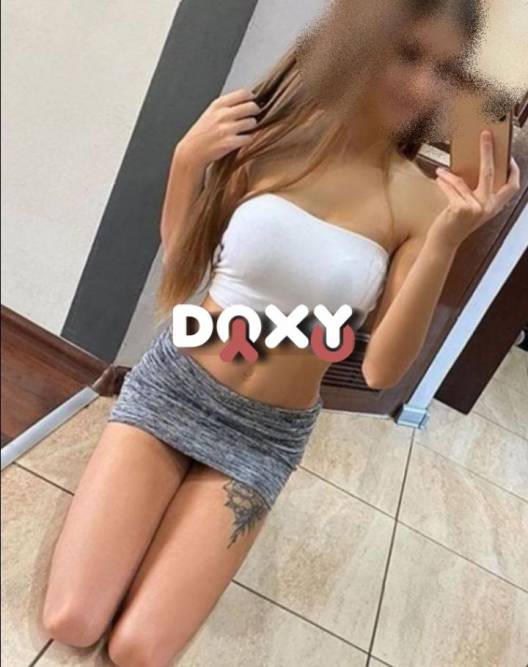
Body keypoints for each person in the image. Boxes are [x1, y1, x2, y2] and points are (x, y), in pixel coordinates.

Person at [41, 1, 521, 664]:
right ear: (362, 40)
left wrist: (445, 243)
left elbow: (381, 371)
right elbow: (184, 272)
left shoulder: (420, 199)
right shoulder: (274, 137)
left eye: (445, 69)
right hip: (175, 387)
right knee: (72, 618)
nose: (422, 85)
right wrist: (186, 162)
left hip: (263, 437)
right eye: (408, 53)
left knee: (138, 651)